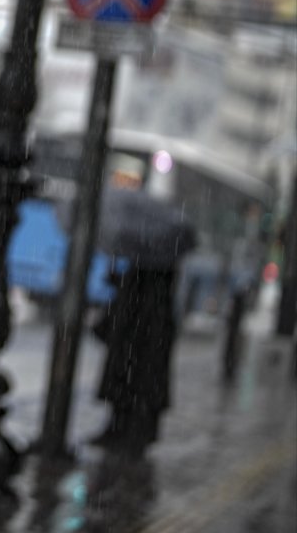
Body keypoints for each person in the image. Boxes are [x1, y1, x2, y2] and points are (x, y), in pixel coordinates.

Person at [90, 162, 197, 455]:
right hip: (142, 331)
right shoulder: (156, 259)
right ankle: (127, 430)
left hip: (140, 331)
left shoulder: (153, 263)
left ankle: (127, 431)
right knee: (134, 381)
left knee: (132, 380)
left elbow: (139, 296)